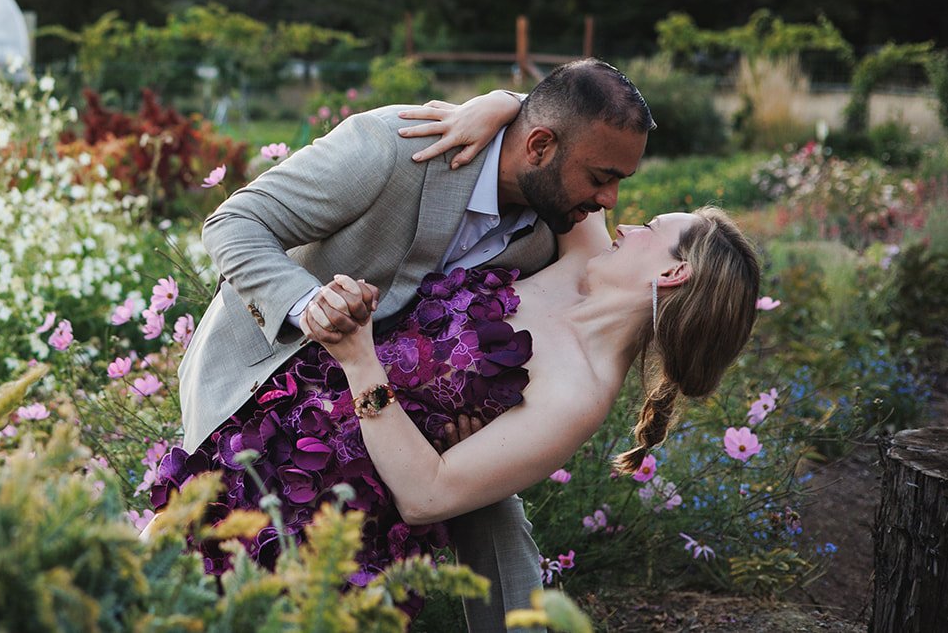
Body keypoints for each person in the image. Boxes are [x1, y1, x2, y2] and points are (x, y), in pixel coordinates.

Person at [167, 58, 657, 630]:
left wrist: (504, 101)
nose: (611, 201)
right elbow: (234, 223)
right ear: (540, 147)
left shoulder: (554, 227)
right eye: (601, 178)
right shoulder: (391, 147)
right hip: (265, 380)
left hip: (395, 418)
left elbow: (563, 107)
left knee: (487, 512)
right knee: (210, 564)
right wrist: (309, 307)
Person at [153, 200, 761, 610]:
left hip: (326, 524)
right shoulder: (582, 257)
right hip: (263, 443)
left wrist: (361, 361)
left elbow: (429, 495)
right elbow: (572, 130)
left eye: (651, 229)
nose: (629, 227)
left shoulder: (579, 393)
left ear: (674, 272)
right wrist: (496, 105)